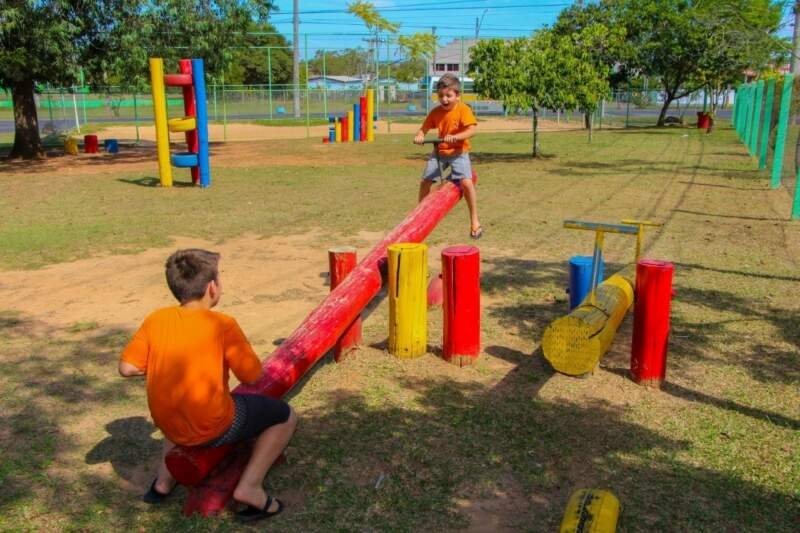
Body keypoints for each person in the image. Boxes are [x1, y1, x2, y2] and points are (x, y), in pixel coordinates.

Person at [118, 249, 297, 523]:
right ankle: (251, 488)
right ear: (212, 287)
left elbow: (127, 367)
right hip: (214, 426)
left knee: (180, 406)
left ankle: (162, 484)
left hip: (169, 423)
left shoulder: (156, 319)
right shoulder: (222, 324)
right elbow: (251, 376)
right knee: (285, 416)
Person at [414, 73, 482, 239]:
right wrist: (420, 135)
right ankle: (419, 215)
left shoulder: (463, 110)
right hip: (440, 152)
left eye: (448, 96)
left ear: (457, 96)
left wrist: (457, 137)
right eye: (441, 96)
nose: (444, 99)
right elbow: (424, 128)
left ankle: (475, 220)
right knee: (425, 181)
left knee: (466, 182)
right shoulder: (436, 112)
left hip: (459, 152)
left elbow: (472, 130)